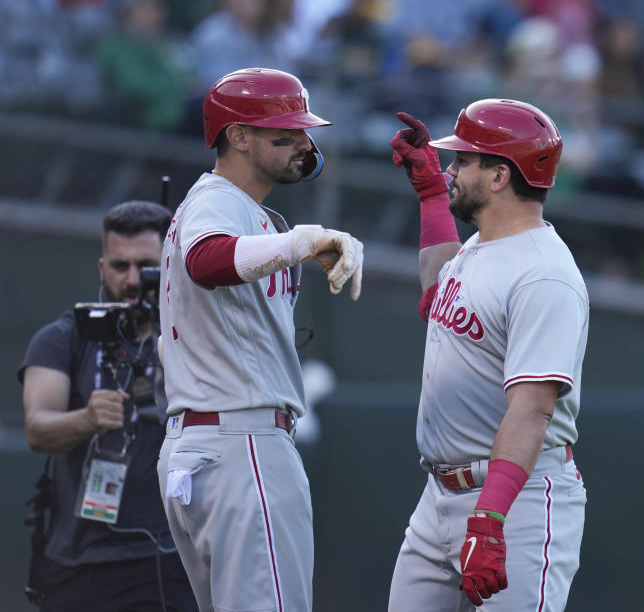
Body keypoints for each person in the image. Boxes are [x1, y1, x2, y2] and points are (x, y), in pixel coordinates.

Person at [156, 67, 363, 612]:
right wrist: (299, 242)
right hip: (241, 443)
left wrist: (293, 244)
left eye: (303, 132)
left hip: (208, 445)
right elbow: (205, 261)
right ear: (238, 137)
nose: (303, 143)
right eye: (285, 133)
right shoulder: (217, 202)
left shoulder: (249, 213)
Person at [387, 99, 589, 610]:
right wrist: (432, 194)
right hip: (438, 496)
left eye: (461, 162)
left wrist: (491, 518)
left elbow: (533, 409)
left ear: (499, 176)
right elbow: (439, 296)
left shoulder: (544, 274)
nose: (450, 169)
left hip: (514, 501)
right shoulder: (482, 245)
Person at [19, 200, 196, 612]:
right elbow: (37, 428)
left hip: (171, 559)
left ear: (168, 265)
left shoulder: (196, 339)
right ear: (102, 269)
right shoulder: (63, 338)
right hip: (81, 562)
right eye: (120, 266)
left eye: (146, 266)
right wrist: (87, 419)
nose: (133, 279)